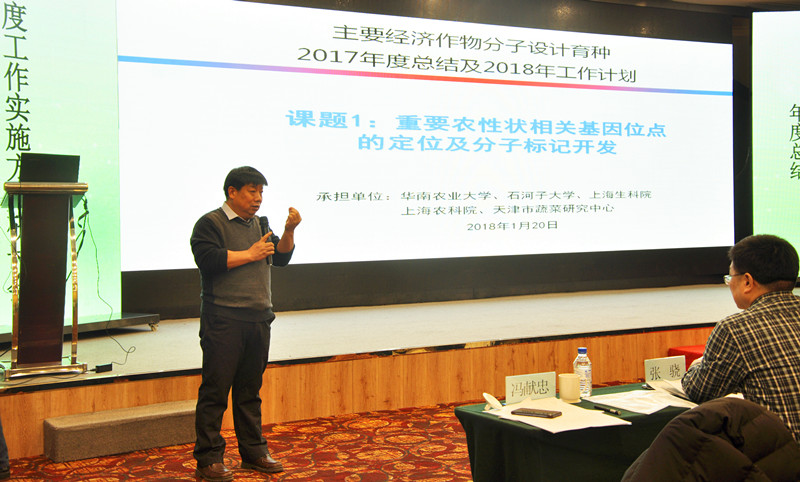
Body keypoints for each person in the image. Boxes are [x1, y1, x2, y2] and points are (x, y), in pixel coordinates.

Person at [191, 166, 301, 481]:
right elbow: (208, 261)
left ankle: (253, 453)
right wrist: (250, 254)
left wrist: (289, 230)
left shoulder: (260, 224)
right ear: (232, 192)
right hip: (223, 319)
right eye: (252, 191)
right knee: (215, 392)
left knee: (249, 391)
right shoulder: (210, 223)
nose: (258, 199)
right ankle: (209, 459)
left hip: (259, 318)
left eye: (261, 192)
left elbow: (281, 257)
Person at [682, 234, 800, 441]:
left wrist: (698, 364)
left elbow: (700, 391)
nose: (729, 284)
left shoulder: (735, 328)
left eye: (730, 278)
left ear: (747, 281)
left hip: (783, 455)